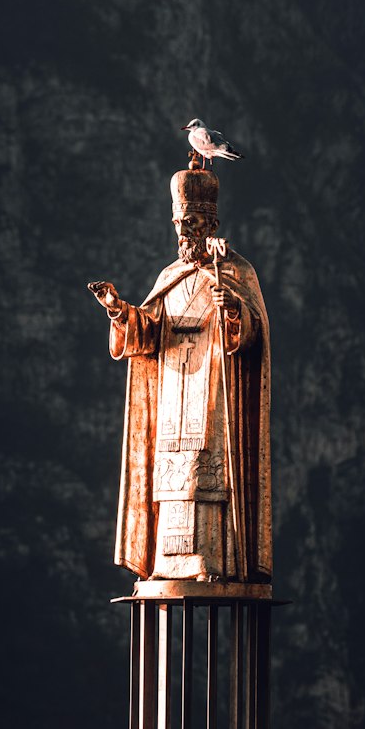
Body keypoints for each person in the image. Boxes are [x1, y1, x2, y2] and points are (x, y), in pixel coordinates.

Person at [88, 169, 271, 583]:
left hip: (214, 399)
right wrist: (118, 309)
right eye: (178, 225)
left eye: (191, 224)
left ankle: (213, 558)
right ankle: (166, 562)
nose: (183, 233)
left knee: (209, 478)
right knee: (171, 476)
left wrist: (233, 310)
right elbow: (148, 333)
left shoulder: (236, 274)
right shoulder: (169, 278)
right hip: (174, 397)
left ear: (210, 225)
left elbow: (253, 334)